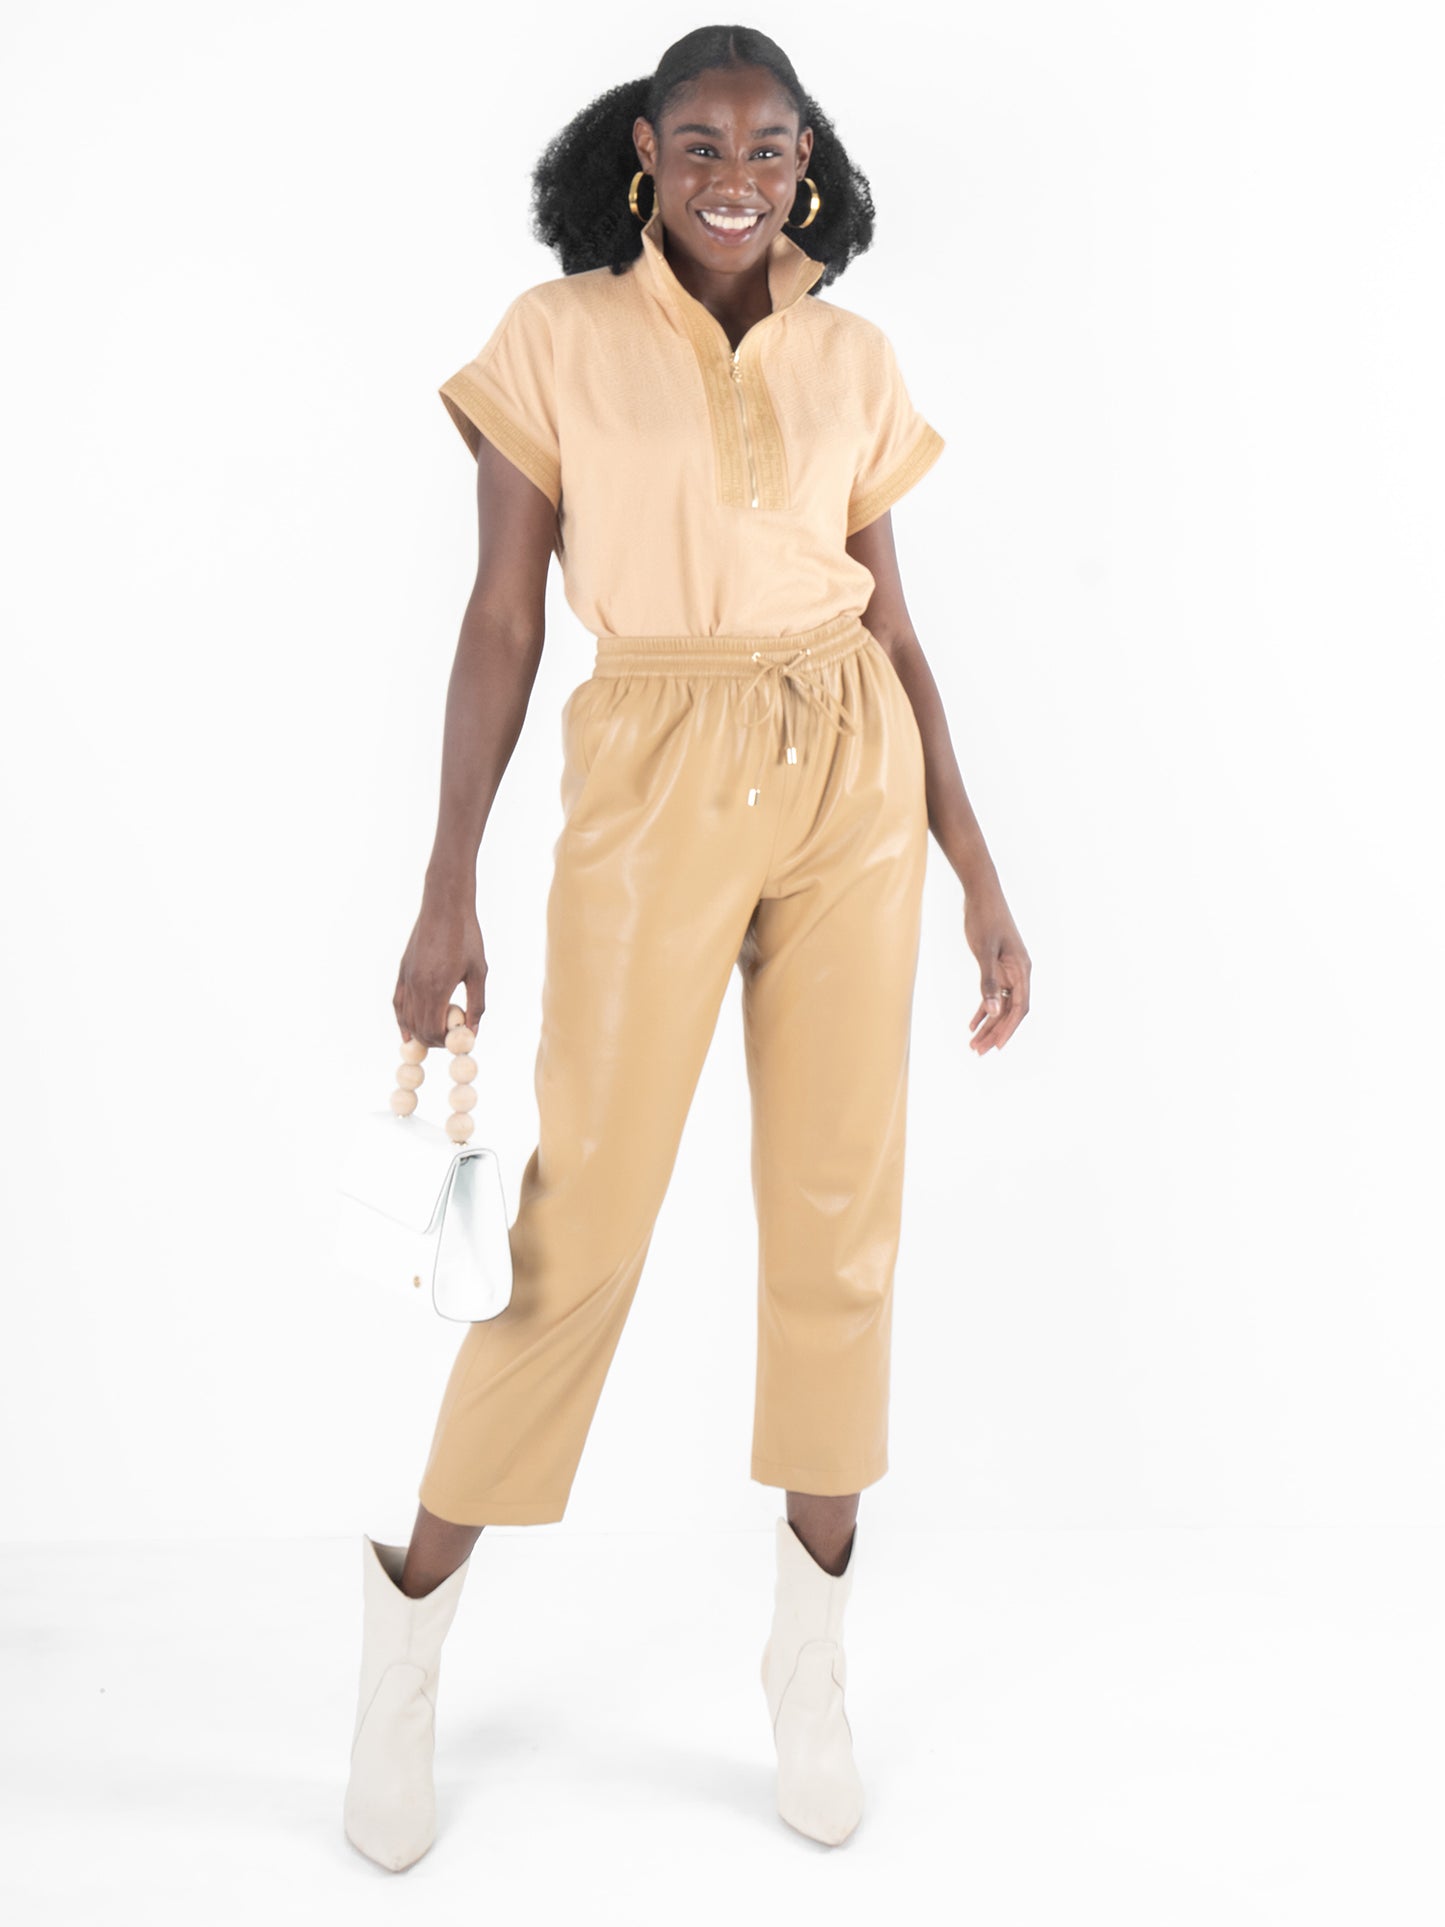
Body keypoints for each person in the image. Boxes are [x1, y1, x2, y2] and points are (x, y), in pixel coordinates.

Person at [343, 23, 1031, 1872]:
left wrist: (976, 866)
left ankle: (808, 1671)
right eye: (707, 137)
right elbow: (501, 620)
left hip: (849, 779)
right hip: (650, 766)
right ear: (647, 150)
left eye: (774, 141)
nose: (743, 168)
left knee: (836, 1220)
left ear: (806, 162)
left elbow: (899, 632)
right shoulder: (553, 341)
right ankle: (403, 1651)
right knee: (576, 1227)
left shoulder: (852, 355)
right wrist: (443, 882)